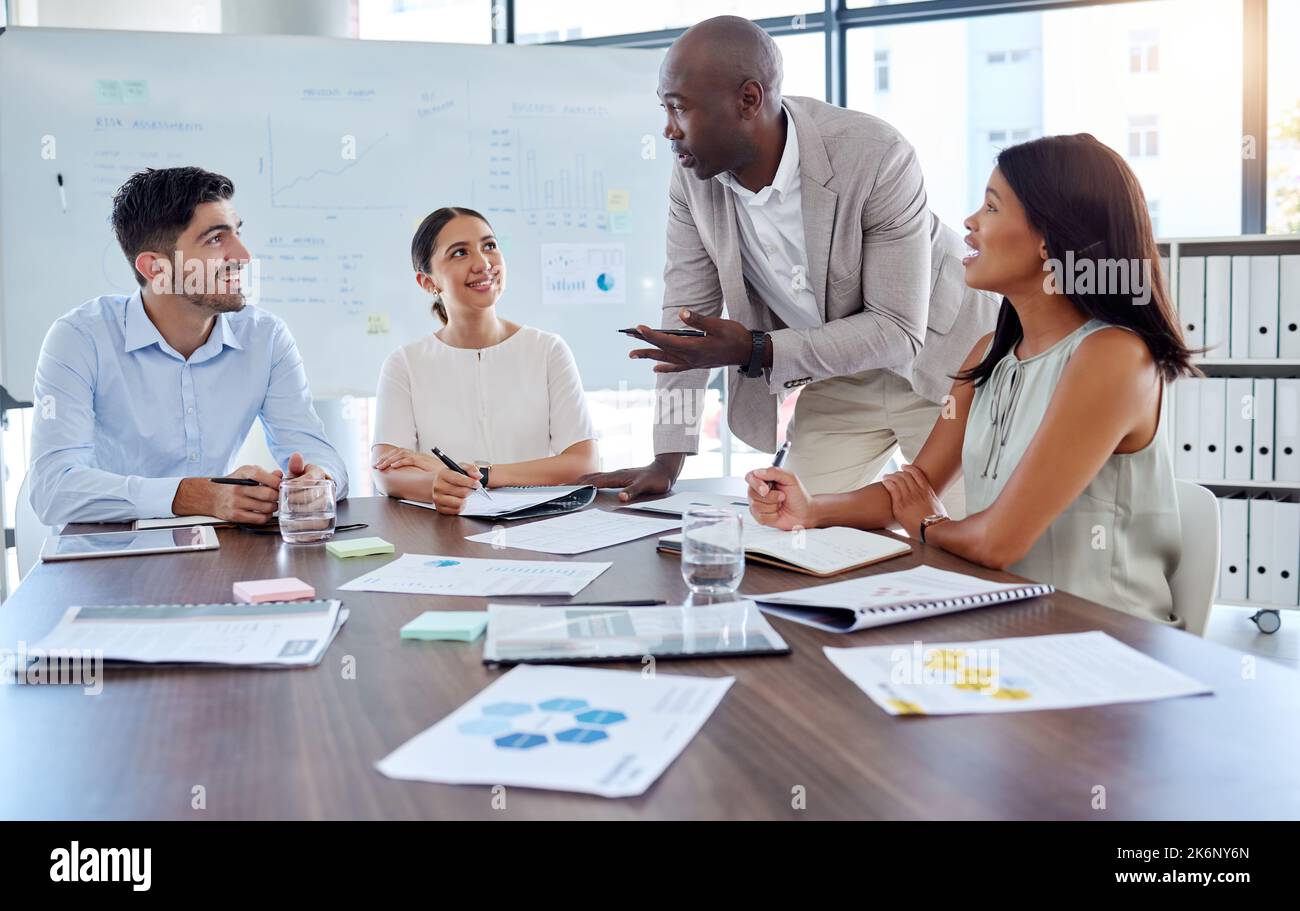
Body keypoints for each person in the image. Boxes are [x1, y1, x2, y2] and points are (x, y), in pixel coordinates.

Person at [747, 134, 1195, 626]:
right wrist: (811, 508)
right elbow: (915, 486)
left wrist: (929, 524)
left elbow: (995, 542)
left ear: (1050, 239)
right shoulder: (989, 352)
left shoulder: (1112, 357)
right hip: (1011, 619)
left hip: (1104, 643)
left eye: (992, 207)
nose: (970, 222)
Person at [580, 15, 998, 512]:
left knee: (966, 540)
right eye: (664, 108)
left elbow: (895, 330)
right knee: (790, 526)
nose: (669, 130)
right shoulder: (693, 178)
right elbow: (683, 320)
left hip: (943, 364)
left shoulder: (875, 154)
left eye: (679, 108)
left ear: (748, 100)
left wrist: (757, 349)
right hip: (839, 374)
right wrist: (667, 459)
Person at [29, 166, 348, 527]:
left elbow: (318, 453)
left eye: (237, 233)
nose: (243, 257)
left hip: (214, 551)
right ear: (156, 268)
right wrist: (193, 494)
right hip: (107, 554)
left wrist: (316, 479)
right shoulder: (80, 338)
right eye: (215, 239)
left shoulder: (266, 338)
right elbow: (52, 489)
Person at [371, 207, 598, 514]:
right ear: (427, 282)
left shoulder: (548, 350)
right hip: (445, 533)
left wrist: (480, 475)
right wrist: (436, 487)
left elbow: (582, 463)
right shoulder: (404, 363)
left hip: (535, 527)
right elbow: (386, 470)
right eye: (460, 253)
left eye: (489, 246)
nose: (482, 263)